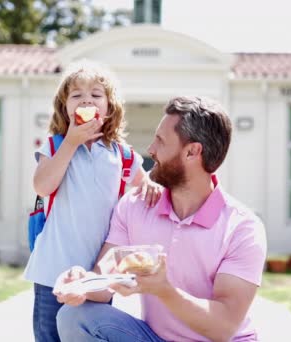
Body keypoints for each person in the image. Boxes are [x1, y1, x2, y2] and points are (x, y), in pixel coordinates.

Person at [54, 96, 267, 342]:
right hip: (157, 338)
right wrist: (83, 282)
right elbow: (105, 277)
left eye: (160, 141)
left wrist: (163, 291)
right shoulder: (135, 206)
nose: (151, 150)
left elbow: (223, 328)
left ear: (192, 152)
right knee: (74, 316)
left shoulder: (242, 228)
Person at [23, 61, 162, 342]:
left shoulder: (123, 156)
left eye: (96, 95)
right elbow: (42, 185)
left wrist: (153, 187)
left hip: (96, 278)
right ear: (65, 107)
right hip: (53, 271)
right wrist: (71, 141)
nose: (86, 99)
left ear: (109, 108)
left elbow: (148, 190)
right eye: (77, 96)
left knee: (87, 334)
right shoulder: (54, 146)